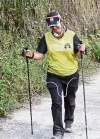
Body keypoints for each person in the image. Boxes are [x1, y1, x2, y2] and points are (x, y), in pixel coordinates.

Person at [23, 11, 85, 139]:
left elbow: (78, 56)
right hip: (54, 75)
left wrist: (80, 50)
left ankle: (68, 121)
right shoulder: (46, 37)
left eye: (56, 26)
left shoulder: (72, 35)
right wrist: (31, 55)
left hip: (71, 75)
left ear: (61, 22)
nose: (54, 29)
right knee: (56, 102)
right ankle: (57, 131)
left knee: (70, 100)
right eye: (51, 27)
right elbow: (40, 55)